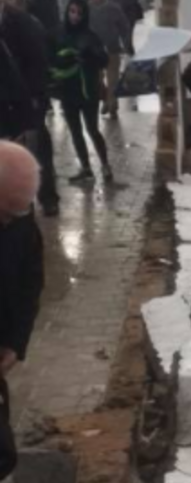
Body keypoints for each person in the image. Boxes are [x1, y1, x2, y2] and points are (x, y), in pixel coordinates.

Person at [0, 140, 45, 480]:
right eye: (5, 213)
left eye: (17, 212)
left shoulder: (19, 218)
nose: (10, 222)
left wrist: (15, 341)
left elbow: (30, 280)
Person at [0, 0, 61, 216]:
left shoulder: (22, 22)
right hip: (4, 100)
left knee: (36, 151)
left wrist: (35, 96)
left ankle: (46, 197)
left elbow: (38, 60)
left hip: (25, 99)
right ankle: (14, 201)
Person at [53, 0, 113, 182]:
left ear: (84, 15)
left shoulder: (90, 36)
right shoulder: (60, 34)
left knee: (92, 129)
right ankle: (86, 168)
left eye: (79, 12)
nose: (75, 16)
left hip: (88, 91)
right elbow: (52, 59)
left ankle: (105, 165)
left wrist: (91, 55)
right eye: (72, 11)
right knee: (75, 130)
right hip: (67, 90)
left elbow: (104, 60)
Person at [88, 0, 133, 119]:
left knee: (112, 78)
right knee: (97, 79)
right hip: (94, 50)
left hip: (112, 48)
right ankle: (106, 100)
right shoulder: (87, 8)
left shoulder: (113, 7)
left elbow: (124, 26)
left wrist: (126, 44)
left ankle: (112, 103)